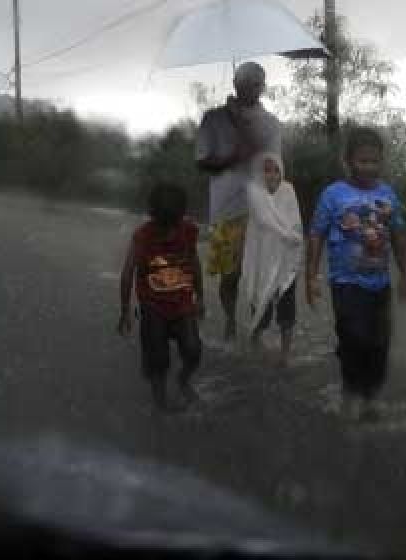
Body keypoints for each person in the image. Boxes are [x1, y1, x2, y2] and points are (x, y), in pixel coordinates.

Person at [306, 126, 406, 422]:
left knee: (379, 342)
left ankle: (369, 397)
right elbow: (316, 234)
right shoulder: (333, 195)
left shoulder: (387, 194)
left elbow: (398, 235)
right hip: (346, 283)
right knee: (354, 338)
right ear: (348, 161)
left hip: (379, 283)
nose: (369, 167)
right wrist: (311, 276)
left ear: (382, 162)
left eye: (375, 161)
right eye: (363, 161)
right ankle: (351, 390)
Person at [195, 61, 283, 342]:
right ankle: (231, 320)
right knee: (230, 276)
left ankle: (257, 328)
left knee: (261, 273)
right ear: (235, 83)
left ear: (263, 86)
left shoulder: (270, 123)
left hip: (261, 209)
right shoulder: (213, 119)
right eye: (247, 81)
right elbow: (202, 162)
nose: (253, 87)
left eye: (258, 82)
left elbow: (277, 168)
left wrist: (272, 184)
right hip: (227, 208)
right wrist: (233, 156)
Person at [118, 182, 204, 412]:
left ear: (181, 217)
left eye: (173, 227)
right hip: (152, 305)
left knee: (193, 349)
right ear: (153, 218)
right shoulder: (142, 236)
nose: (169, 233)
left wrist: (201, 296)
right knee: (157, 359)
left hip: (183, 303)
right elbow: (127, 275)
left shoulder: (188, 231)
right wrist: (125, 311)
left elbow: (195, 263)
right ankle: (161, 403)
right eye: (163, 228)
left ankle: (183, 380)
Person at [239, 152, 304, 367]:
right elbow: (263, 221)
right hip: (261, 256)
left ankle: (285, 352)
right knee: (261, 300)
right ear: (260, 172)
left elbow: (295, 222)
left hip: (284, 257)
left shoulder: (289, 190)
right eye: (267, 169)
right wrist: (287, 233)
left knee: (286, 303)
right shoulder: (254, 192)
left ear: (281, 171)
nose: (272, 175)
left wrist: (291, 236)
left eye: (276, 169)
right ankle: (255, 338)